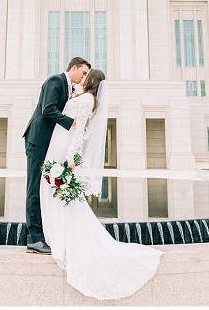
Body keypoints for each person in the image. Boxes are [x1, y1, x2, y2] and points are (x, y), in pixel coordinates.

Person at [40, 69, 161, 299]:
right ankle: (55, 236)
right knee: (53, 192)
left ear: (91, 81)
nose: (81, 78)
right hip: (57, 144)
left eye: (86, 76)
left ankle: (59, 239)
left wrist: (70, 160)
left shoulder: (87, 100)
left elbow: (79, 130)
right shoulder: (84, 97)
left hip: (63, 148)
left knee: (56, 192)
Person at [22, 57, 90, 254]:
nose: (84, 77)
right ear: (74, 68)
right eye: (83, 73)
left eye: (86, 75)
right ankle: (34, 239)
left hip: (48, 144)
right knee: (34, 188)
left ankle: (42, 233)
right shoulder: (55, 81)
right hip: (37, 141)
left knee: (44, 186)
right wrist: (72, 122)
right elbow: (48, 109)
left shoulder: (69, 88)